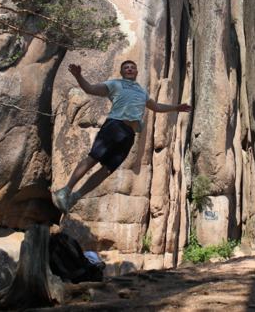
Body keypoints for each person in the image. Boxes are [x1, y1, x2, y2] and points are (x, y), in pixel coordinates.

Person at [52, 60, 192, 214]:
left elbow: (157, 107)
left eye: (133, 67)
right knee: (93, 158)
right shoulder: (115, 84)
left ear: (137, 72)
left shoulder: (142, 91)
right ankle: (66, 190)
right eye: (126, 68)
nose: (130, 69)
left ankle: (74, 198)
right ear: (122, 72)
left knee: (107, 170)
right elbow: (90, 89)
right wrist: (79, 76)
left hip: (129, 135)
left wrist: (176, 108)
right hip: (115, 125)